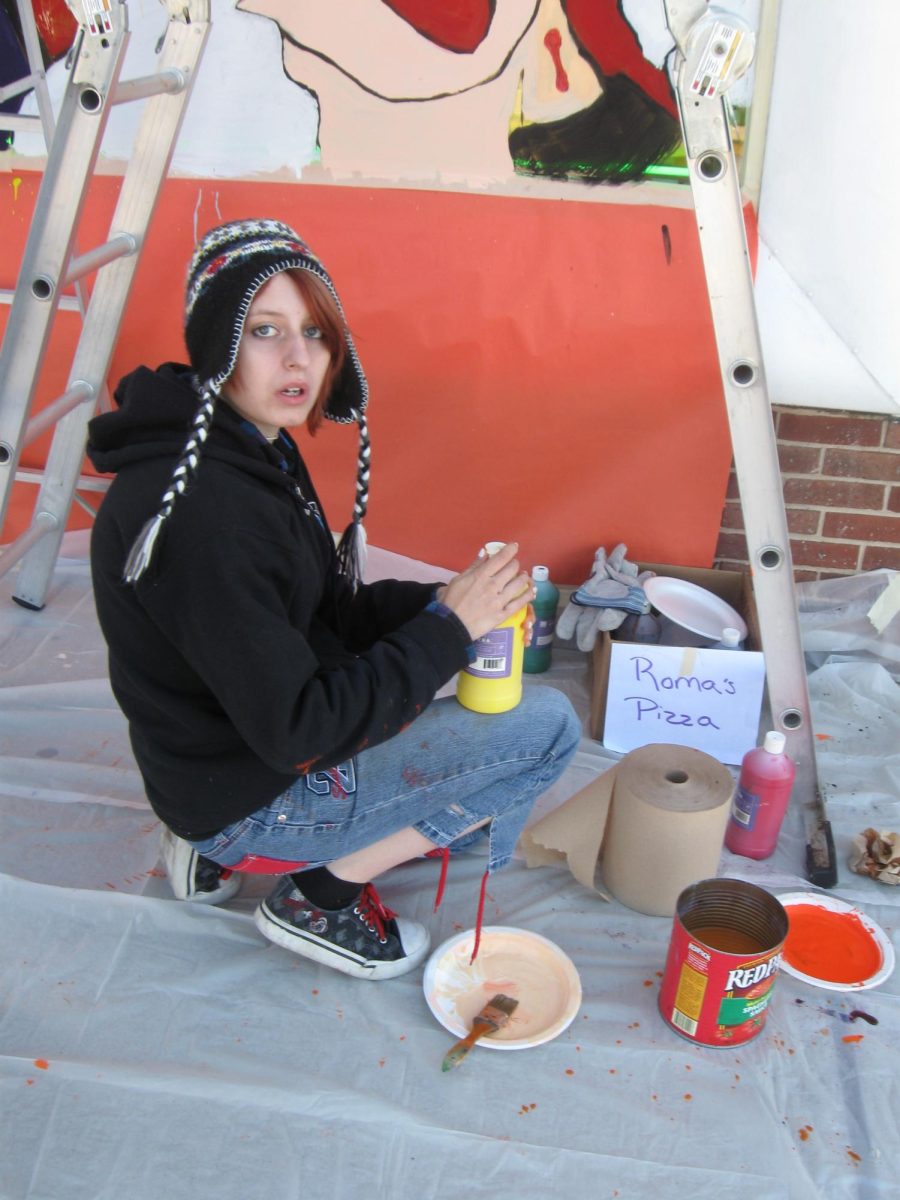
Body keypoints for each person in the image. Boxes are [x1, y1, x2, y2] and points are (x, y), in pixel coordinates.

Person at [87, 218, 581, 981]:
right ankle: (317, 894)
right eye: (263, 331)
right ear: (217, 341)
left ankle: (201, 842)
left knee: (435, 665)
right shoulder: (207, 515)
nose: (298, 359)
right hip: (257, 789)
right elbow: (301, 731)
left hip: (204, 758)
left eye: (315, 332)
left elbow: (316, 616)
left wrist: (442, 604)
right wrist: (450, 631)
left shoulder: (240, 441)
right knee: (547, 728)